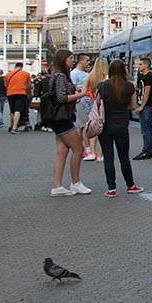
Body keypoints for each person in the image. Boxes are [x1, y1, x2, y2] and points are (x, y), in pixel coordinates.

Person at [43, 49, 91, 197]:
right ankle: (76, 183)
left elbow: (60, 95)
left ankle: (57, 186)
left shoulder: (57, 75)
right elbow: (61, 98)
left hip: (57, 118)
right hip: (62, 119)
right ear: (63, 60)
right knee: (78, 148)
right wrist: (80, 94)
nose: (72, 61)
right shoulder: (61, 76)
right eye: (70, 58)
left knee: (62, 151)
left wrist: (73, 91)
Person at [97, 60, 143, 197]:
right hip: (122, 125)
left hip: (105, 126)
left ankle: (111, 189)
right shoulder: (129, 86)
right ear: (124, 70)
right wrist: (123, 106)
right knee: (124, 157)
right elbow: (133, 106)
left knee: (108, 157)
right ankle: (130, 185)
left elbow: (98, 103)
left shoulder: (103, 85)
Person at [83, 58, 108, 162]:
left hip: (93, 104)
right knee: (103, 129)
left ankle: (92, 152)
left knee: (93, 126)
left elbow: (84, 91)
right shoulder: (107, 77)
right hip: (105, 104)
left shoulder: (90, 76)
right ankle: (100, 154)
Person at [133, 58, 152, 159]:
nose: (139, 66)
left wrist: (141, 106)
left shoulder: (148, 77)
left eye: (140, 64)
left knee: (145, 129)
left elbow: (146, 93)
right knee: (149, 128)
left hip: (146, 106)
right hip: (148, 105)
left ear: (146, 65)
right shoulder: (146, 77)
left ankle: (146, 151)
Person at [71, 55, 91, 152]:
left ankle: (82, 147)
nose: (88, 62)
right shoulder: (74, 73)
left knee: (83, 124)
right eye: (87, 60)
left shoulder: (85, 73)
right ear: (81, 61)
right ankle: (85, 148)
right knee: (82, 125)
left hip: (87, 100)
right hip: (81, 101)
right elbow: (72, 87)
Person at [5, 62, 32, 134]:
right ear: (21, 67)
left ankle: (12, 125)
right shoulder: (26, 74)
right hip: (21, 93)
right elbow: (29, 86)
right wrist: (28, 91)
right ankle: (14, 128)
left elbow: (5, 85)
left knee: (12, 110)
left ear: (15, 66)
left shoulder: (8, 74)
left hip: (10, 93)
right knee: (18, 110)